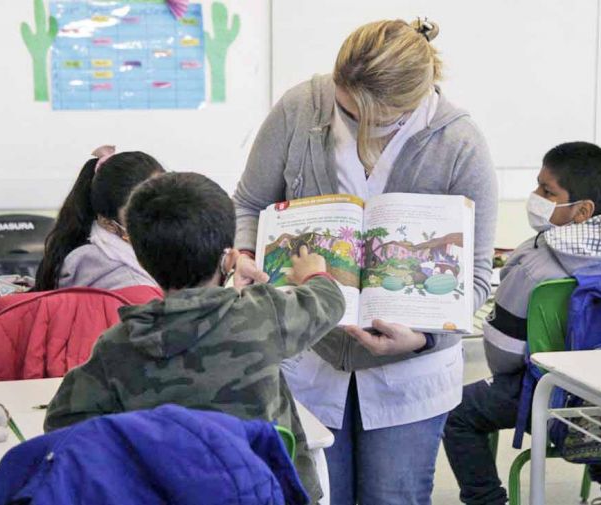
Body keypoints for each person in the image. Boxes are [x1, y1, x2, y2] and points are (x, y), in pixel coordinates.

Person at [232, 18, 498, 504]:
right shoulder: (299, 108)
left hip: (410, 374)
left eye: (371, 122)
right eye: (345, 112)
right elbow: (249, 203)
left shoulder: (460, 143)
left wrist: (423, 338)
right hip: (311, 354)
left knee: (392, 497)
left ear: (411, 104)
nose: (355, 130)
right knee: (315, 495)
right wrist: (246, 255)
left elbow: (475, 277)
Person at [44, 172, 345, 502]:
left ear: (142, 258)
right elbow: (329, 302)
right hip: (266, 493)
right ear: (227, 257)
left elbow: (63, 423)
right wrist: (314, 274)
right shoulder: (262, 314)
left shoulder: (119, 344)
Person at [443, 142, 601, 505]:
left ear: (582, 211)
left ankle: (487, 501)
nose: (535, 196)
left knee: (455, 412)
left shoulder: (535, 263)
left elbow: (504, 353)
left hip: (554, 398)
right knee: (599, 379)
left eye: (547, 191)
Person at [34, 146, 163, 291]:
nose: (161, 216)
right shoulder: (132, 284)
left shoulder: (88, 253)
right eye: (143, 212)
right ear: (108, 224)